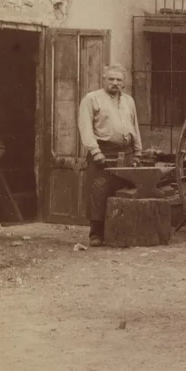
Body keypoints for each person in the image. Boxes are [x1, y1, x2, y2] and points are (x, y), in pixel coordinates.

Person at [78, 64, 143, 247]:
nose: (115, 83)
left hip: (127, 152)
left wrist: (138, 152)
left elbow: (134, 126)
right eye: (111, 79)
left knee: (124, 192)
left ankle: (120, 233)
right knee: (99, 193)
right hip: (103, 153)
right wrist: (95, 151)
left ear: (124, 83)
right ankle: (96, 234)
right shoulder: (91, 99)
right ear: (103, 80)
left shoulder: (129, 101)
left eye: (119, 80)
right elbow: (85, 128)